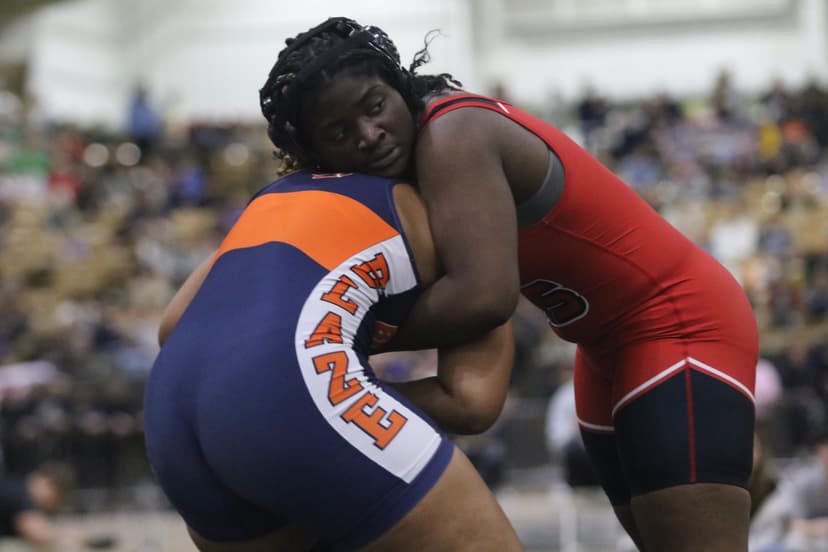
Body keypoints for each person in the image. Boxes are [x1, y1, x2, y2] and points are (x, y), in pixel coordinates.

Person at [257, 17, 759, 551]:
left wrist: (332, 338)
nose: (368, 133)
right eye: (339, 134)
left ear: (398, 86)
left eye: (375, 105)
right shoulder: (401, 174)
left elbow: (484, 297)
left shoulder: (453, 133)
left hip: (677, 322)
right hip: (602, 348)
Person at [144, 170, 522, 551]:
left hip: (172, 410)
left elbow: (171, 325)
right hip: (288, 391)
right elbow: (470, 404)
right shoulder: (454, 211)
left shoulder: (274, 196)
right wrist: (326, 391)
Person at [0, 461, 115, 548]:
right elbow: (34, 532)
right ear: (50, 486)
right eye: (55, 501)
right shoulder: (20, 492)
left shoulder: (15, 485)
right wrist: (74, 537)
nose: (49, 506)